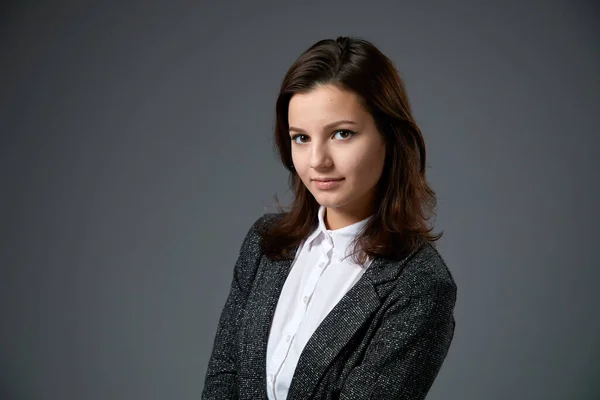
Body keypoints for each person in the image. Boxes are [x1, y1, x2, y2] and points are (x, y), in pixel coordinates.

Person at [201, 36, 457, 400]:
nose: (318, 160)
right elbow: (223, 379)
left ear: (389, 136)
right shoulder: (264, 243)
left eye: (342, 133)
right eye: (301, 137)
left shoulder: (420, 285)